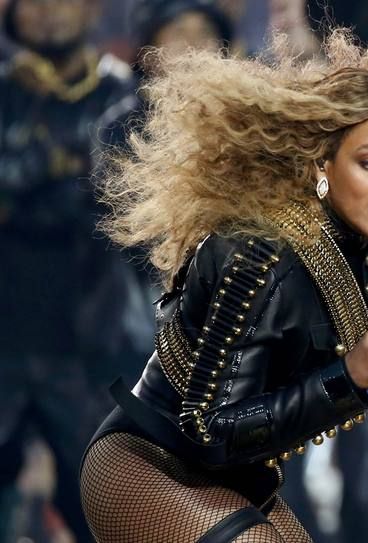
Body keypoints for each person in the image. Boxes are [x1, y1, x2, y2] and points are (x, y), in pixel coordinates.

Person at [79, 29, 368, 542]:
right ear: (323, 163)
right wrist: (348, 375)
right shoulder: (259, 255)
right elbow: (208, 430)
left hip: (239, 481)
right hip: (150, 466)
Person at [0, 0, 143, 540]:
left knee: (98, 501)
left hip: (96, 332)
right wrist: (58, 171)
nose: (50, 12)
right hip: (7, 327)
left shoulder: (126, 96)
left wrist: (35, 180)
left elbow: (128, 206)